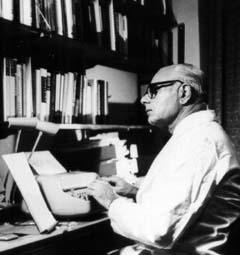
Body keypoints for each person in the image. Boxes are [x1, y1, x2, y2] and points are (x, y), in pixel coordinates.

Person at [87, 64, 240, 255]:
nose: (143, 99)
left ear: (184, 92)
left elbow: (159, 231)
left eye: (153, 91)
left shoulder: (200, 143)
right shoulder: (194, 135)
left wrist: (111, 200)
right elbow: (186, 200)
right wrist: (134, 191)